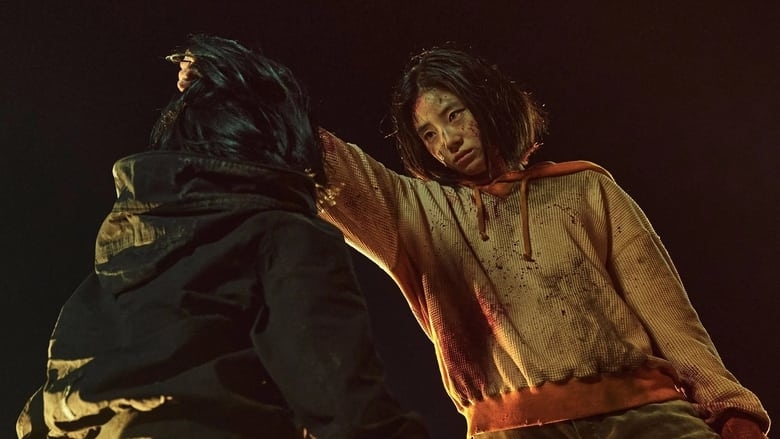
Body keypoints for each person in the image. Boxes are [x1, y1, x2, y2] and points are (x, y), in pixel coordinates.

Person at [310, 47, 771, 438]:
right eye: (428, 134)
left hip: (641, 415)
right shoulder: (416, 212)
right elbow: (316, 159)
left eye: (454, 115)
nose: (447, 141)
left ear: (488, 103)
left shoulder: (587, 188)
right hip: (512, 430)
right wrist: (265, 90)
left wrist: (729, 406)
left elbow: (666, 312)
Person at [16, 34, 430, 439]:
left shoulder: (128, 240)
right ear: (284, 138)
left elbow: (56, 391)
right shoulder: (284, 235)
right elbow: (350, 411)